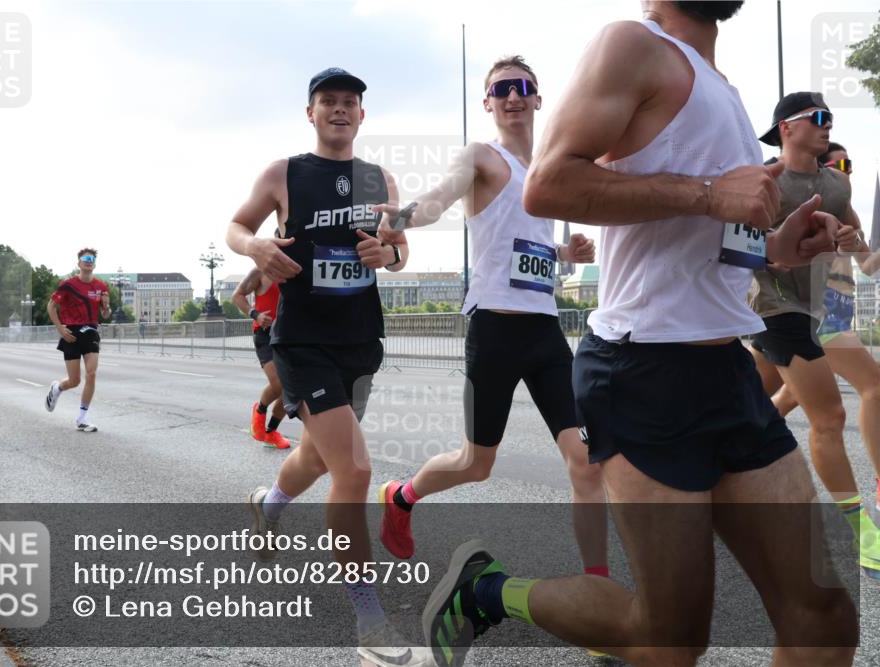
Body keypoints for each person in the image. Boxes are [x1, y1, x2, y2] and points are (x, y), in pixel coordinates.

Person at [420, 3, 857, 666]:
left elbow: (709, 238)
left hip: (729, 373)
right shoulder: (633, 45)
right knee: (671, 635)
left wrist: (775, 249)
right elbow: (548, 183)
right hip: (643, 372)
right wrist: (710, 193)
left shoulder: (727, 92)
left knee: (823, 615)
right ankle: (486, 590)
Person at [374, 57, 608, 588]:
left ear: (539, 98)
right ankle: (402, 495)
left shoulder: (548, 167)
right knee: (477, 464)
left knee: (586, 463)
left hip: (544, 331)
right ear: (488, 103)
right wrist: (406, 214)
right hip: (495, 331)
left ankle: (598, 586)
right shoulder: (481, 157)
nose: (513, 95)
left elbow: (523, 246)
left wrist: (563, 253)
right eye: (501, 88)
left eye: (524, 86)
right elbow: (439, 198)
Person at [225, 68, 424, 667]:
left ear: (361, 117)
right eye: (327, 102)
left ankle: (270, 506)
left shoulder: (381, 178)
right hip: (304, 341)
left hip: (360, 341)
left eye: (349, 103)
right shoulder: (283, 173)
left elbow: (401, 251)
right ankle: (370, 621)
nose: (339, 110)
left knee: (320, 454)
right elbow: (236, 226)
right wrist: (256, 246)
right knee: (356, 469)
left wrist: (386, 252)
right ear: (310, 113)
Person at [746, 97, 880, 578]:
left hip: (817, 314)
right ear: (787, 127)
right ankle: (864, 534)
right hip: (773, 309)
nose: (828, 128)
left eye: (831, 120)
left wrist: (848, 239)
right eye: (818, 119)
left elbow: (862, 248)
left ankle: (706, 487)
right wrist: (779, 247)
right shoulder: (764, 179)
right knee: (830, 415)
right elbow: (736, 246)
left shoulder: (835, 182)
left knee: (744, 407)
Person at [45, 249, 111, 433]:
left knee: (91, 373)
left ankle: (82, 418)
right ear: (79, 263)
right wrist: (60, 328)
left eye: (92, 259)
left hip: (90, 330)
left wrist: (106, 306)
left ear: (95, 263)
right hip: (71, 332)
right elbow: (51, 306)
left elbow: (105, 314)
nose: (89, 262)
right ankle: (57, 387)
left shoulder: (101, 286)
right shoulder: (68, 284)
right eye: (85, 259)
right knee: (74, 380)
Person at [231, 267, 291, 449]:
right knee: (279, 383)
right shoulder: (260, 271)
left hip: (290, 335)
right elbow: (237, 295)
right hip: (265, 334)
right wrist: (255, 314)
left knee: (290, 390)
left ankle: (271, 432)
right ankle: (260, 411)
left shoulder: (297, 268)